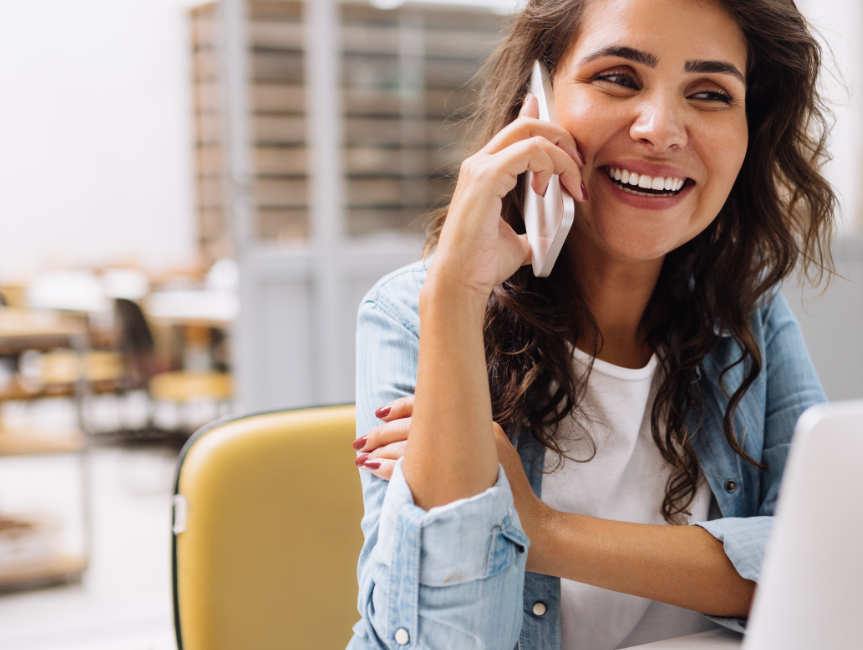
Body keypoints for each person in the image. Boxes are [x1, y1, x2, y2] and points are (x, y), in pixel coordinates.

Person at [348, 0, 834, 646]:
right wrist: (456, 294)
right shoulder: (416, 314)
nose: (661, 129)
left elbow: (823, 557)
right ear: (539, 100)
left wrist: (540, 529)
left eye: (711, 92)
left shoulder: (744, 317)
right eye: (620, 78)